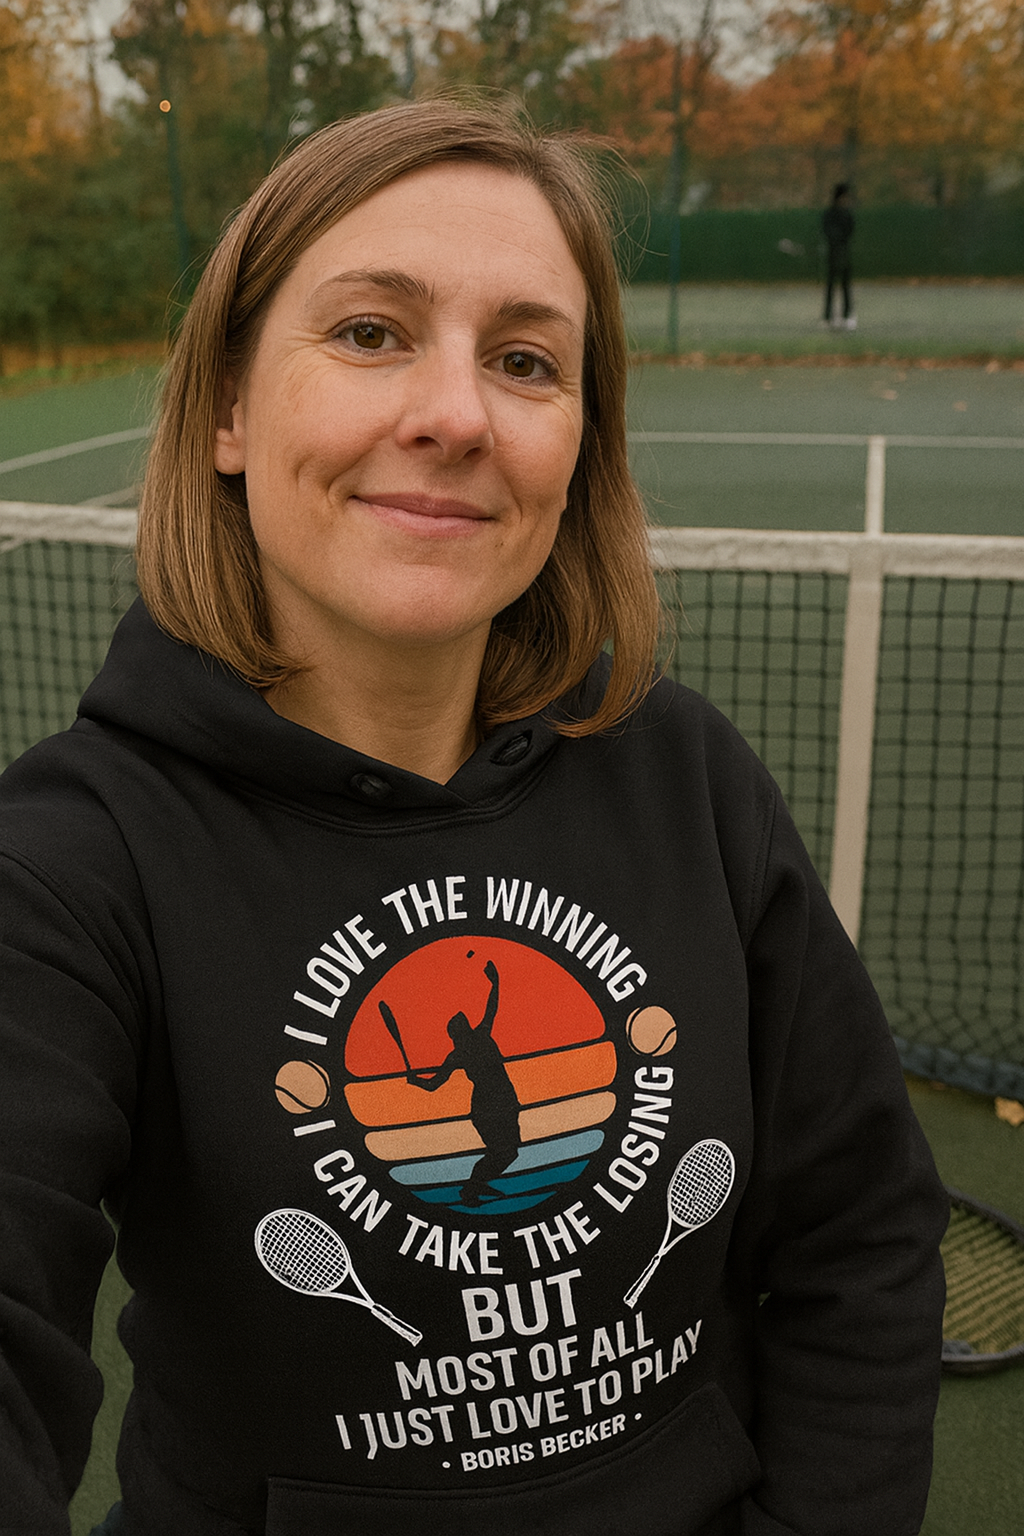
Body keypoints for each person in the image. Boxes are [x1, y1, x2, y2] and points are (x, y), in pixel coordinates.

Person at [0, 97, 946, 1536]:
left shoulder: (686, 774)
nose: (456, 414)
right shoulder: (68, 865)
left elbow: (861, 1236)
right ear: (229, 412)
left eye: (525, 360)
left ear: (576, 448)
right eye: (371, 331)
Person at [823, 181, 856, 329]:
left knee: (845, 287)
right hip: (832, 256)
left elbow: (849, 231)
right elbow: (828, 231)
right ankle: (828, 316)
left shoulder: (847, 214)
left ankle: (847, 315)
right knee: (830, 287)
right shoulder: (830, 214)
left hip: (844, 255)